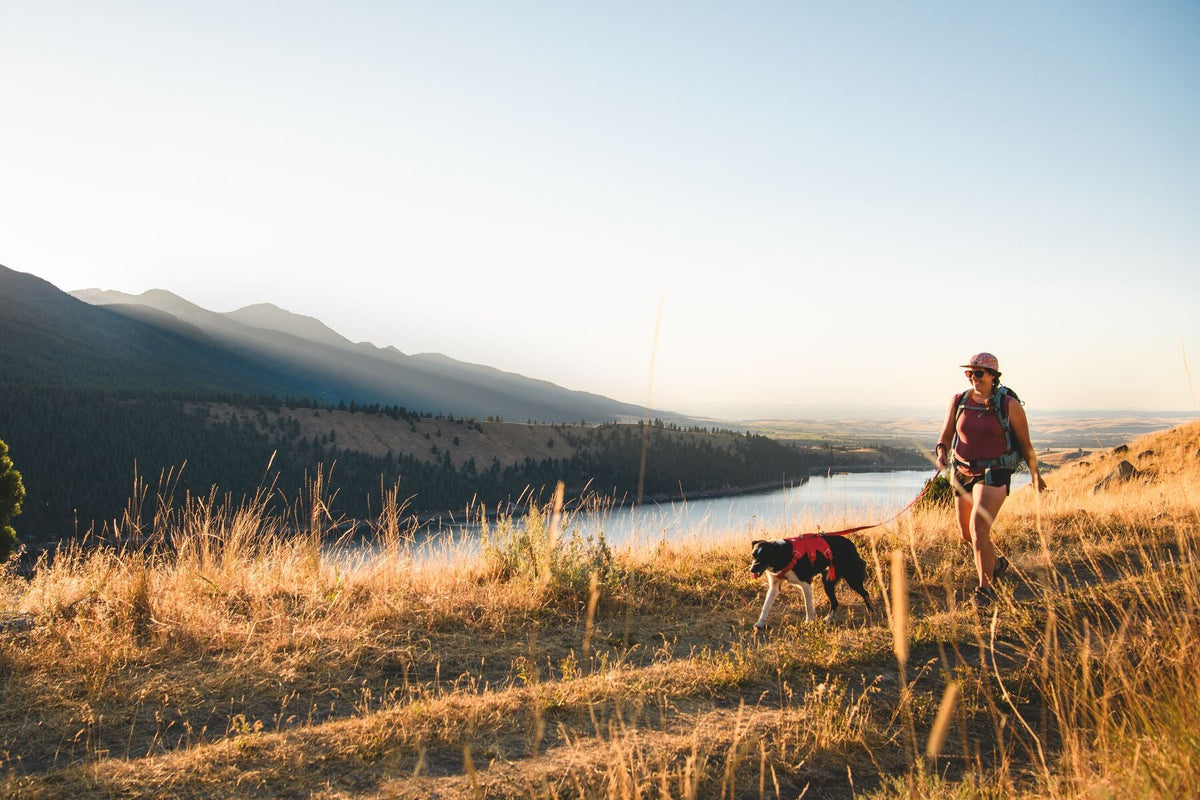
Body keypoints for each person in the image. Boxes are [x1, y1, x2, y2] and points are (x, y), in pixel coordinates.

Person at [934, 353, 1046, 608]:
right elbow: (946, 433)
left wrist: (1035, 475)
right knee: (966, 533)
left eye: (979, 373)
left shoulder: (1008, 406)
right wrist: (942, 452)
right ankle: (994, 564)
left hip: (994, 472)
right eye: (970, 373)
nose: (974, 377)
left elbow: (1026, 445)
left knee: (978, 529)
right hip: (962, 470)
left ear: (993, 376)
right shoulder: (959, 400)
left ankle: (985, 591)